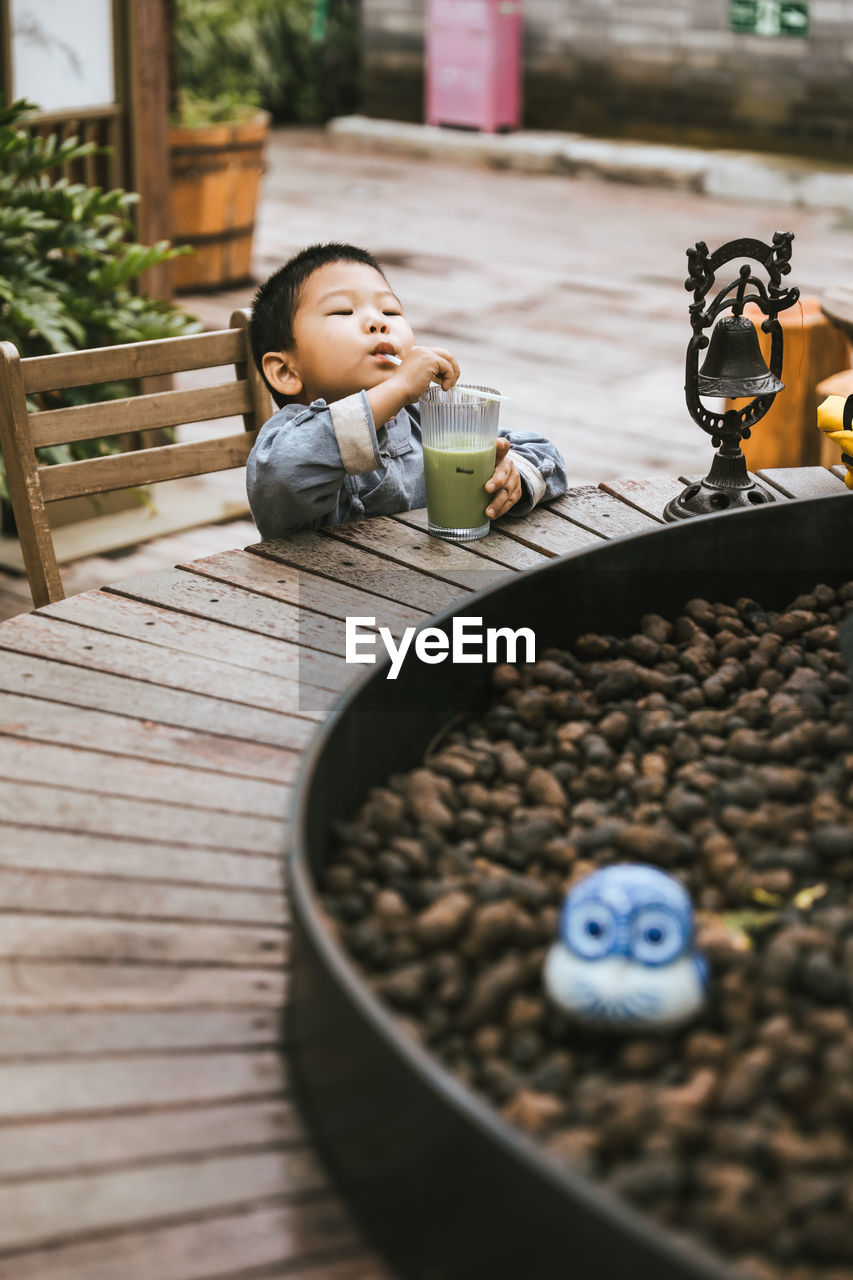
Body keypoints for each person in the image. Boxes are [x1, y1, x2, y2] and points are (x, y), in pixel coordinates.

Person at [246, 242, 567, 537]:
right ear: (287, 371)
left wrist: (513, 479)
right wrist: (398, 386)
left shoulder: (423, 419)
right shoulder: (285, 442)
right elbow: (285, 474)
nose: (377, 321)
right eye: (343, 311)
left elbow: (546, 454)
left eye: (391, 311)